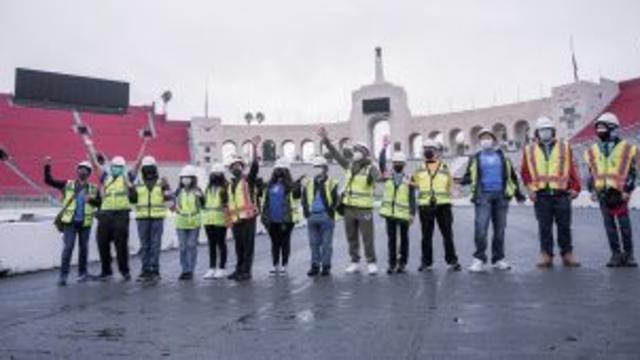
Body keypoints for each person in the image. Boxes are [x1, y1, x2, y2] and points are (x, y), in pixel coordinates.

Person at [461, 128, 526, 272]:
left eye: (488, 137)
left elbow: (512, 177)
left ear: (493, 140)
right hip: (482, 196)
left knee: (499, 230)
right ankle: (479, 259)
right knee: (481, 229)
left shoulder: (503, 157)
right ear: (480, 141)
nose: (486, 140)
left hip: (501, 196)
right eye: (483, 138)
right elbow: (468, 176)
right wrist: (458, 182)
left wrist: (519, 195)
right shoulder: (475, 158)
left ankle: (498, 259)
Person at [318, 127, 381, 275]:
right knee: (351, 236)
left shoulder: (371, 168)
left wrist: (381, 176)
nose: (355, 152)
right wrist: (326, 140)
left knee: (367, 237)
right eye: (355, 150)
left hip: (364, 208)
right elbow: (336, 154)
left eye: (358, 150)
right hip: (348, 208)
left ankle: (371, 262)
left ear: (365, 153)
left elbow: (378, 177)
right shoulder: (349, 165)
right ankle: (355, 262)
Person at [521, 117, 581, 268]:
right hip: (541, 195)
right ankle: (546, 254)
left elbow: (572, 168)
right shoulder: (529, 149)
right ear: (537, 132)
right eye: (542, 130)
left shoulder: (564, 146)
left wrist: (575, 187)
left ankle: (567, 254)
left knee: (564, 226)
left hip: (561, 193)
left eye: (547, 129)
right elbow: (525, 172)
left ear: (553, 131)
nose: (545, 132)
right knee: (544, 227)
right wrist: (530, 189)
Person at [584, 112, 638, 267]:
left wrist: (627, 190)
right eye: (598, 128)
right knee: (609, 227)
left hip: (620, 194)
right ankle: (615, 255)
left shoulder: (627, 148)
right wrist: (592, 190)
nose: (600, 131)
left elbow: (633, 172)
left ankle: (629, 255)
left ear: (613, 129)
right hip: (602, 194)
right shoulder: (592, 150)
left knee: (624, 226)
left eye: (603, 128)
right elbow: (592, 172)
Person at [44, 157, 101, 286]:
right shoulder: (67, 184)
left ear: (89, 173)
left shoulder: (93, 188)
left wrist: (91, 201)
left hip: (85, 224)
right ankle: (63, 276)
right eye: (81, 169)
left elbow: (100, 203)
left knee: (83, 250)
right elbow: (48, 181)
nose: (83, 171)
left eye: (85, 170)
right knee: (68, 249)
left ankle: (82, 274)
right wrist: (47, 166)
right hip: (70, 223)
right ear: (77, 171)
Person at [412, 139, 461, 272]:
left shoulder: (445, 168)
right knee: (426, 235)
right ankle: (426, 262)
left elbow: (450, 185)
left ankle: (452, 261)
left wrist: (454, 191)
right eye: (426, 148)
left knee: (447, 234)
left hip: (443, 205)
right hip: (425, 205)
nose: (428, 151)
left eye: (431, 148)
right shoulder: (418, 168)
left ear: (437, 152)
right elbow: (415, 184)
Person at [128, 155, 172, 282]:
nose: (148, 170)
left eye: (150, 167)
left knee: (155, 245)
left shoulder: (161, 182)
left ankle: (155, 270)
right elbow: (133, 200)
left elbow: (169, 201)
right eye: (146, 168)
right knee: (145, 245)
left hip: (157, 218)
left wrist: (166, 188)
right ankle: (145, 270)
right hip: (142, 218)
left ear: (155, 168)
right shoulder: (138, 182)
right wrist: (131, 190)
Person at [379, 139, 416, 274]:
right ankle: (392, 263)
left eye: (400, 163)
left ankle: (402, 263)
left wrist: (412, 213)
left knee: (404, 240)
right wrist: (384, 148)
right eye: (395, 162)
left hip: (404, 214)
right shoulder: (388, 176)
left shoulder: (409, 178)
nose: (398, 164)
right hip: (390, 213)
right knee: (391, 240)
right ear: (393, 164)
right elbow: (381, 164)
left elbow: (412, 197)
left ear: (404, 164)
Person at [95, 156, 136, 281]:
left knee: (121, 244)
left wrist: (145, 143)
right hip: (105, 213)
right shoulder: (106, 177)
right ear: (111, 167)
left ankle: (124, 271)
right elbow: (95, 164)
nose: (116, 169)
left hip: (121, 213)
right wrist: (88, 145)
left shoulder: (127, 177)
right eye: (114, 166)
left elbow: (137, 163)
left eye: (119, 167)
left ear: (123, 168)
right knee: (102, 243)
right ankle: (106, 271)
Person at [261, 157, 302, 276]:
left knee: (284, 242)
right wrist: (265, 218)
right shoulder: (270, 185)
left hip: (286, 220)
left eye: (282, 170)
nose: (279, 172)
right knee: (275, 243)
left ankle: (284, 265)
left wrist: (298, 185)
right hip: (272, 220)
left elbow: (297, 196)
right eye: (277, 169)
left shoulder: (291, 186)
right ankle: (275, 265)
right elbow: (266, 202)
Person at [227, 136, 261, 281]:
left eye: (238, 165)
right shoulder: (229, 185)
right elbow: (228, 204)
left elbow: (255, 166)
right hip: (236, 220)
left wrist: (254, 147)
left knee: (248, 247)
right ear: (230, 169)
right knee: (238, 247)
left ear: (242, 167)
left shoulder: (249, 180)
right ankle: (239, 269)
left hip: (248, 218)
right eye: (233, 166)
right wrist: (229, 221)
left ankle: (246, 271)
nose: (236, 168)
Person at [302, 156, 339, 277]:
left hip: (325, 216)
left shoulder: (331, 181)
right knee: (313, 243)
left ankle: (326, 266)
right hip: (312, 216)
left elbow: (335, 199)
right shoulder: (308, 182)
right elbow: (304, 198)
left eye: (319, 167)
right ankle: (315, 266)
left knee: (326, 244)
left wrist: (330, 212)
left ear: (325, 168)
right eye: (315, 167)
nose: (316, 169)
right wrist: (307, 212)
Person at [173, 165, 204, 280]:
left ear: (193, 178)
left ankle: (190, 270)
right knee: (183, 247)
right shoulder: (178, 191)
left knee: (191, 245)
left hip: (194, 222)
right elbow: (171, 202)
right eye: (183, 177)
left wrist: (201, 198)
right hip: (181, 221)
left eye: (188, 177)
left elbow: (203, 204)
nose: (185, 179)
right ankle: (184, 269)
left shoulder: (198, 190)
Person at [201, 162, 231, 280]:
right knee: (211, 244)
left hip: (220, 220)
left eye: (217, 173)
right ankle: (212, 267)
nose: (215, 176)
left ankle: (222, 268)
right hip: (209, 220)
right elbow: (205, 203)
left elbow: (227, 204)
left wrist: (228, 221)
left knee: (221, 244)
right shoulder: (208, 188)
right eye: (214, 173)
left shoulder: (226, 187)